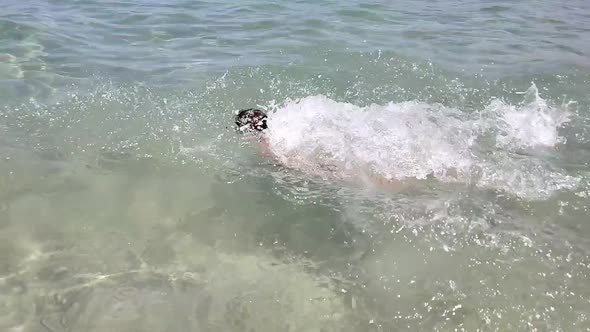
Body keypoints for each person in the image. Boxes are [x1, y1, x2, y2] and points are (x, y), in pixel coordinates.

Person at [234, 108, 409, 191]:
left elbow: (297, 167)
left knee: (363, 180)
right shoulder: (285, 129)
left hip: (322, 171)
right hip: (325, 159)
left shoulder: (267, 148)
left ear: (248, 130)